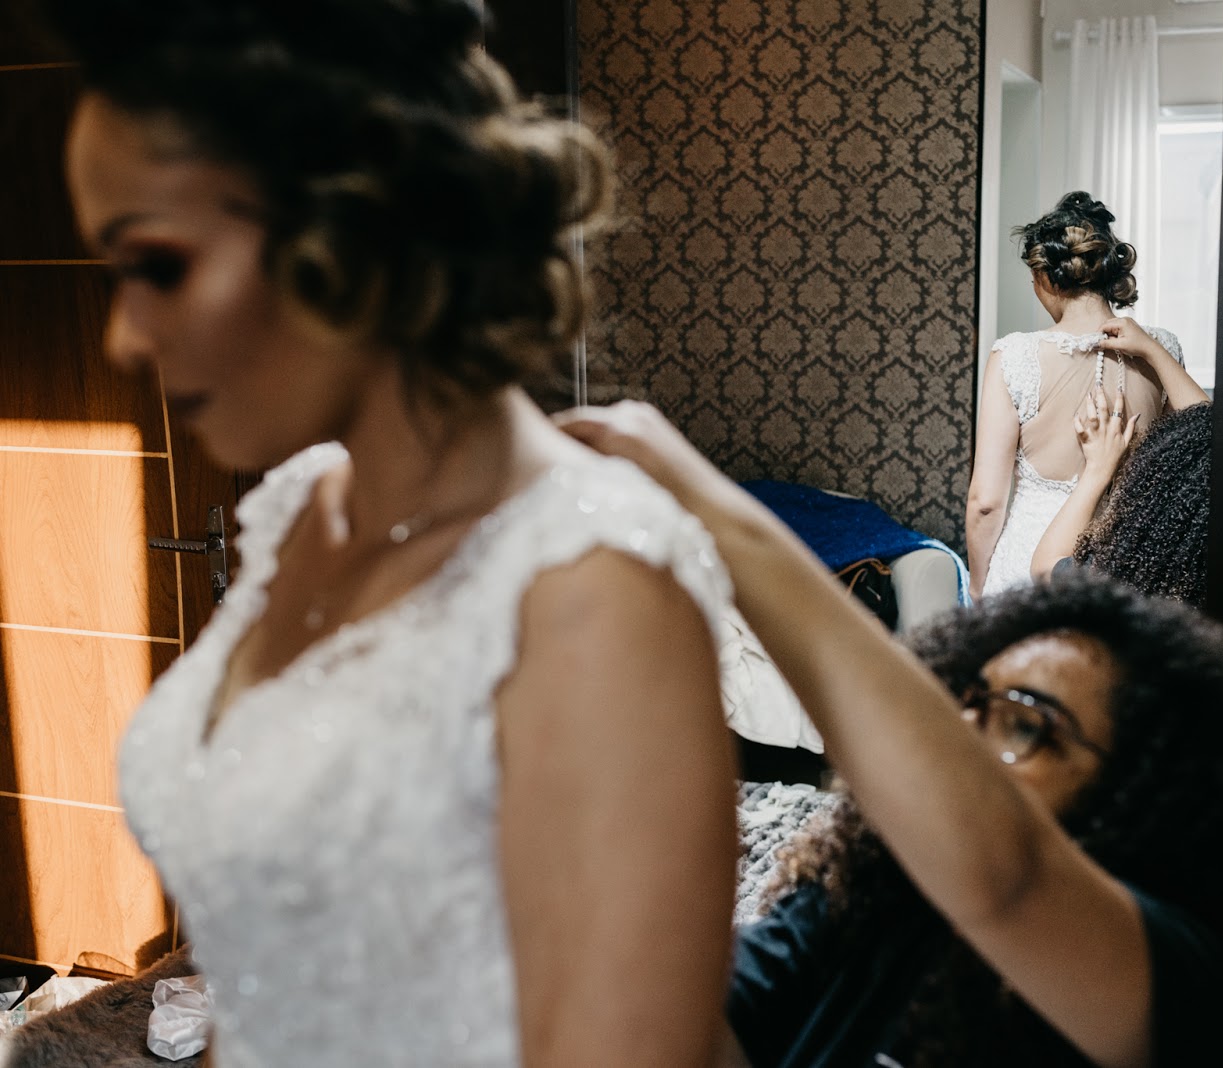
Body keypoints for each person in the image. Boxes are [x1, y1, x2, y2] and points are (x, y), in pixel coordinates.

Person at [44, 1, 736, 1064]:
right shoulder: (297, 511)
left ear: (349, 224)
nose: (124, 339)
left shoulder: (593, 589)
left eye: (160, 266)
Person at [558, 402, 1223, 1068]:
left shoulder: (1196, 986)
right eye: (967, 701)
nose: (959, 733)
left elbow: (1005, 869)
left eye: (1027, 724)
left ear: (1147, 786)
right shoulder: (861, 905)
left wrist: (706, 502)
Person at [967, 192, 1191, 597]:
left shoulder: (1013, 357)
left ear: (1047, 277)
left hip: (1030, 567)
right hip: (1127, 564)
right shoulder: (1162, 350)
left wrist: (979, 587)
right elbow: (1191, 449)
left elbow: (985, 503)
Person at [1026, 330, 1213, 605]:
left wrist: (1098, 470)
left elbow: (1044, 569)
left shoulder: (1130, 571)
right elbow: (1209, 439)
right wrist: (1154, 351)